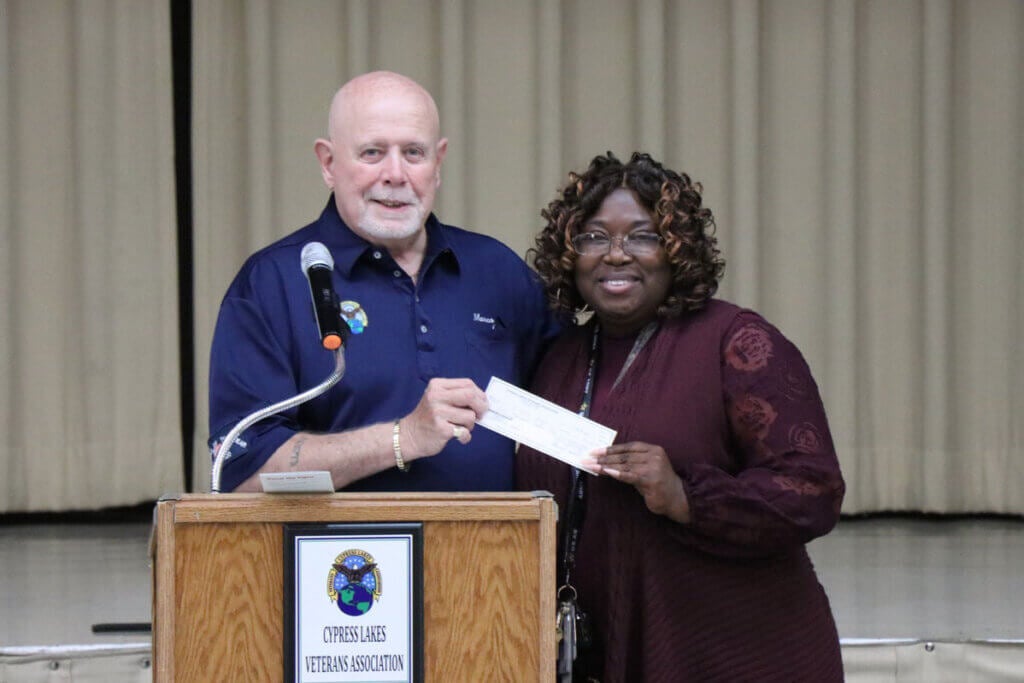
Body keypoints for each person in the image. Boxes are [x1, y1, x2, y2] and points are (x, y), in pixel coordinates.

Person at [517, 152, 845, 681]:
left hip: (736, 657)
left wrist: (687, 496)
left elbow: (815, 491)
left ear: (676, 249)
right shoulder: (560, 358)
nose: (616, 255)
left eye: (642, 236)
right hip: (606, 652)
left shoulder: (737, 343)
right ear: (569, 253)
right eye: (595, 237)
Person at [208, 71, 558, 493]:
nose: (395, 174)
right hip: (342, 558)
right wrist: (404, 437)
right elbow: (242, 474)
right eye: (372, 153)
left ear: (438, 163)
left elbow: (575, 396)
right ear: (328, 163)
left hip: (491, 555)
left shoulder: (496, 270)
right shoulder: (273, 283)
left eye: (413, 153)